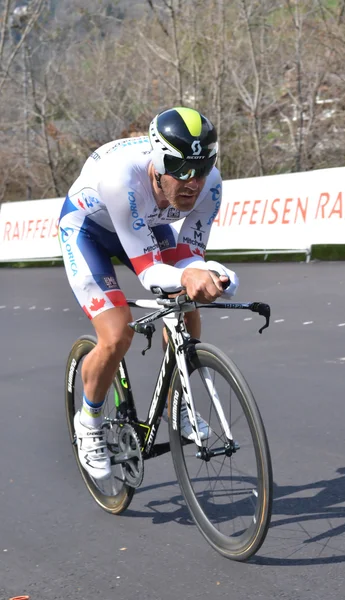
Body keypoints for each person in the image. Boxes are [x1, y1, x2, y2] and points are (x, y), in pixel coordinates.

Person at [59, 106, 239, 481]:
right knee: (117, 333)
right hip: (88, 229)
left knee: (186, 302)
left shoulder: (212, 184)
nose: (193, 182)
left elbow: (190, 255)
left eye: (202, 168)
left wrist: (208, 274)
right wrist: (189, 274)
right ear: (158, 164)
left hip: (147, 223)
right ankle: (89, 421)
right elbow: (150, 276)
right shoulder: (121, 179)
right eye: (181, 170)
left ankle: (181, 400)